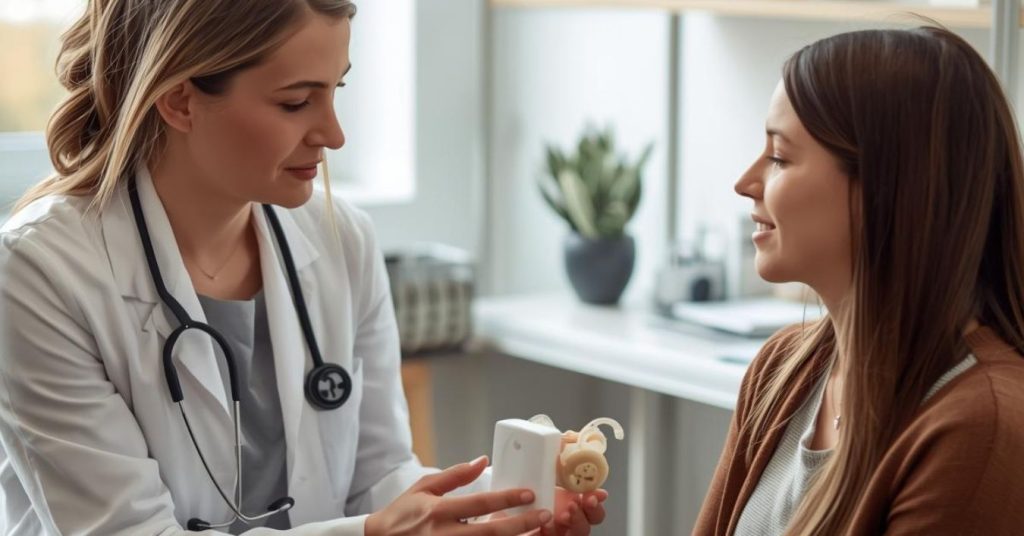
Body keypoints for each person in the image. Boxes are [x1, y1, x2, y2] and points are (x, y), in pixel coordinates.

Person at [0, 1, 607, 534]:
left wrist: (502, 510)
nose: (333, 134)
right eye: (295, 102)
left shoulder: (342, 240)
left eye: (336, 90)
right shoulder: (38, 272)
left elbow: (378, 477)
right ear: (180, 99)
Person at [695, 26, 1024, 535]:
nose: (746, 183)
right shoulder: (781, 370)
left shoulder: (980, 428)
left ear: (883, 188)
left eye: (780, 157)